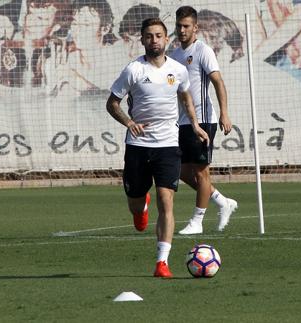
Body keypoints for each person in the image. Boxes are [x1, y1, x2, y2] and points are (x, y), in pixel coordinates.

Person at [106, 18, 209, 277]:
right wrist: (129, 122)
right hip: (139, 146)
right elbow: (112, 104)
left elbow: (185, 95)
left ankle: (162, 262)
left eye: (159, 36)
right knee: (135, 201)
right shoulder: (133, 70)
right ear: (142, 40)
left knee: (167, 202)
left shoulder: (178, 69)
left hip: (167, 145)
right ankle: (140, 207)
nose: (154, 40)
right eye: (149, 36)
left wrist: (195, 125)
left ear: (166, 39)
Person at [170, 6, 238, 235]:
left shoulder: (203, 51)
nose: (181, 30)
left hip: (204, 121)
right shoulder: (175, 55)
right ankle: (221, 201)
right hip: (182, 121)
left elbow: (218, 82)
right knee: (177, 170)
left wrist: (224, 113)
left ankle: (197, 221)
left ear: (195, 28)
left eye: (186, 26)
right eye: (179, 25)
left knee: (201, 172)